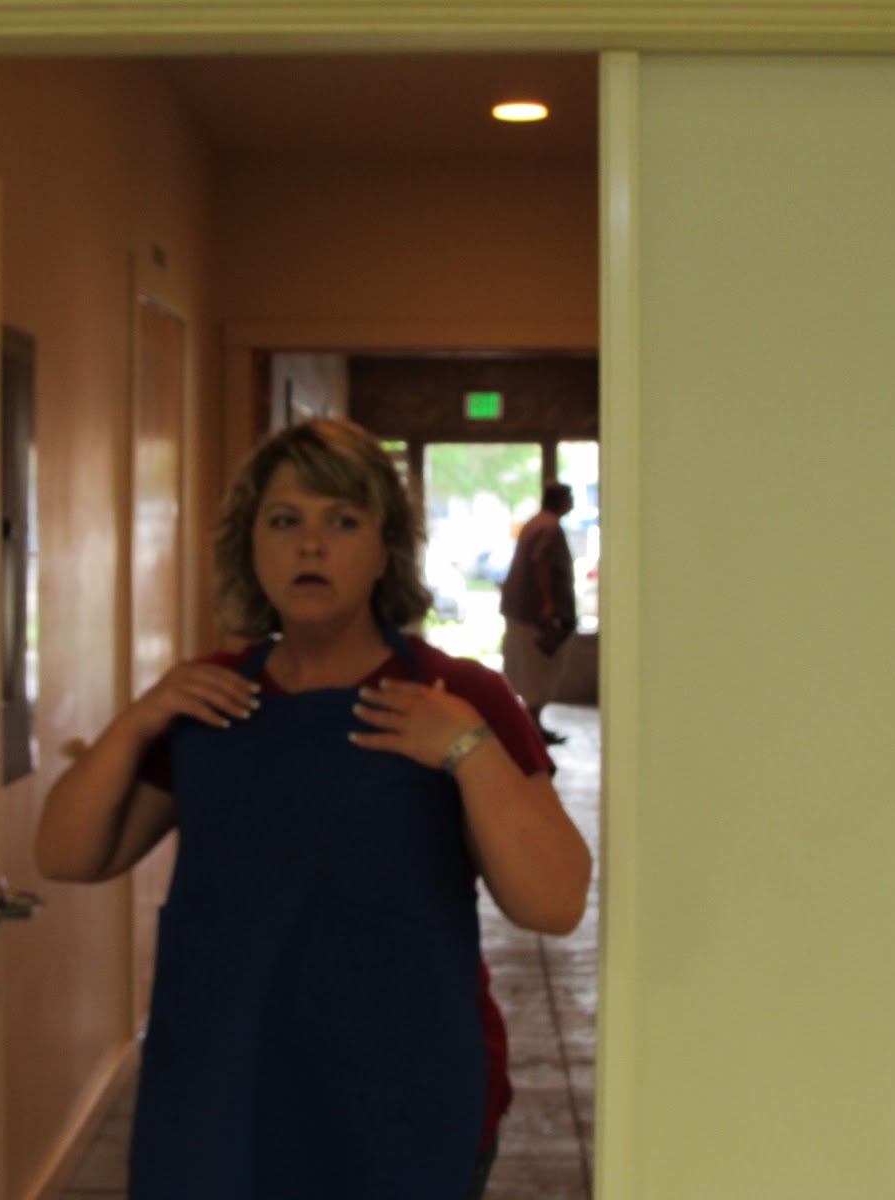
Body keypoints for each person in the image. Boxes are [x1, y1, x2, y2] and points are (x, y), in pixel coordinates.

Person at [35, 419, 591, 1200]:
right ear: (251, 544)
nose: (310, 545)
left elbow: (555, 902)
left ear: (385, 549)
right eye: (285, 520)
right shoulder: (209, 698)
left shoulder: (458, 696)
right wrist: (137, 721)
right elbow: (67, 854)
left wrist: (466, 747)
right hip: (224, 1089)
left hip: (404, 1096)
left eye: (343, 521)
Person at [498, 480, 578, 745]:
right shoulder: (548, 527)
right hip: (533, 615)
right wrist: (548, 602)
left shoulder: (536, 523)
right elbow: (541, 561)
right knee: (537, 671)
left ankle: (533, 726)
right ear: (561, 501)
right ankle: (532, 728)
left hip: (523, 611)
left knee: (531, 670)